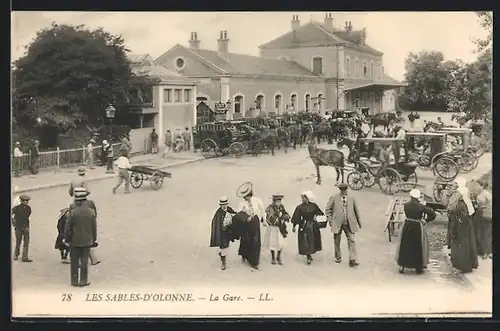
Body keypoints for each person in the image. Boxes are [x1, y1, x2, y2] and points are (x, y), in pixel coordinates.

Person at [396, 189, 436, 274]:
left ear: (411, 196)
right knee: (417, 246)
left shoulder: (406, 205)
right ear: (418, 197)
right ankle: (418, 267)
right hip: (417, 226)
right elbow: (432, 214)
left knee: (405, 245)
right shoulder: (421, 207)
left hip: (407, 225)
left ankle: (402, 265)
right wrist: (426, 220)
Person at [64, 188, 97, 287]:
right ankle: (83, 280)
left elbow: (67, 228)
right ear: (84, 200)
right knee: (84, 261)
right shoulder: (91, 212)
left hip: (74, 240)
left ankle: (74, 281)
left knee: (74, 261)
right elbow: (94, 228)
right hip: (87, 240)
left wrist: (67, 239)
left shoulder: (72, 212)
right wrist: (93, 239)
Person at [325, 183, 362, 267]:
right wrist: (330, 220)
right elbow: (327, 209)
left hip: (349, 223)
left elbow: (356, 210)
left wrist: (359, 222)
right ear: (340, 190)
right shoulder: (334, 197)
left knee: (352, 240)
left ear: (346, 190)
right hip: (337, 222)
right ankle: (338, 257)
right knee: (337, 240)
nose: (344, 192)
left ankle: (352, 259)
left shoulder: (351, 198)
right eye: (342, 190)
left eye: (345, 190)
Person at [447, 177, 479, 273]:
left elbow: (457, 212)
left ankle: (464, 265)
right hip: (464, 224)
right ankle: (465, 264)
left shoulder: (461, 204)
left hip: (462, 226)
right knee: (465, 244)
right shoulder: (466, 202)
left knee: (462, 245)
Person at [236, 182, 265, 270]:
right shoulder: (242, 203)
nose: (246, 198)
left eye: (247, 196)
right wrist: (245, 217)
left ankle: (254, 261)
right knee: (246, 240)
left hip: (255, 222)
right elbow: (239, 213)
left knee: (255, 241)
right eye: (245, 197)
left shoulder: (257, 200)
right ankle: (245, 255)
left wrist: (264, 218)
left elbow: (262, 210)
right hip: (246, 223)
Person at [69, 187, 101, 266]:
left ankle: (80, 262)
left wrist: (67, 237)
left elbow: (69, 222)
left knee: (78, 246)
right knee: (87, 244)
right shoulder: (91, 203)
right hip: (88, 228)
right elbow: (95, 215)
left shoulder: (72, 206)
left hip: (76, 231)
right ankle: (93, 259)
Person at [291, 190, 324, 265]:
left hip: (313, 225)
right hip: (304, 225)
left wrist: (317, 218)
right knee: (305, 240)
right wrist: (294, 226)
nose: (302, 199)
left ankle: (311, 252)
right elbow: (296, 217)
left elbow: (320, 213)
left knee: (312, 240)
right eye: (302, 198)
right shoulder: (299, 207)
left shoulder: (314, 205)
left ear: (308, 198)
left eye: (303, 198)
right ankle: (308, 256)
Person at [209, 196, 236, 270]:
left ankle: (222, 255)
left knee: (226, 245)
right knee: (223, 246)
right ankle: (223, 263)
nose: (224, 206)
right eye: (222, 204)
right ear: (220, 205)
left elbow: (235, 216)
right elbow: (216, 223)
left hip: (228, 231)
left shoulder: (229, 209)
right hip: (222, 232)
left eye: (225, 204)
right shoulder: (218, 212)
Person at [263, 193, 291, 265]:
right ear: (274, 201)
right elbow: (269, 217)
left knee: (280, 242)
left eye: (279, 201)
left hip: (280, 228)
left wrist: (286, 217)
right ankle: (273, 257)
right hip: (273, 228)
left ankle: (278, 256)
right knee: (272, 242)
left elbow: (285, 213)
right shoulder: (270, 208)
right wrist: (278, 220)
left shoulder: (281, 207)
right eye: (277, 201)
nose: (278, 203)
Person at [12, 195, 33, 262]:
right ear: (21, 201)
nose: (26, 202)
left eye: (27, 201)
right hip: (18, 227)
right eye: (25, 201)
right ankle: (16, 254)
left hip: (26, 227)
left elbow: (28, 215)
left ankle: (25, 257)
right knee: (18, 241)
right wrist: (14, 224)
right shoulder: (16, 208)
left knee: (26, 242)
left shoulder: (28, 208)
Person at [475, 179, 492, 259]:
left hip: (485, 215)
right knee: (484, 233)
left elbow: (486, 204)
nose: (476, 187)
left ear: (482, 186)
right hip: (484, 214)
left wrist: (482, 207)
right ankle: (484, 251)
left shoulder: (484, 194)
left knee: (484, 233)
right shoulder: (485, 193)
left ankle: (485, 252)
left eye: (478, 185)